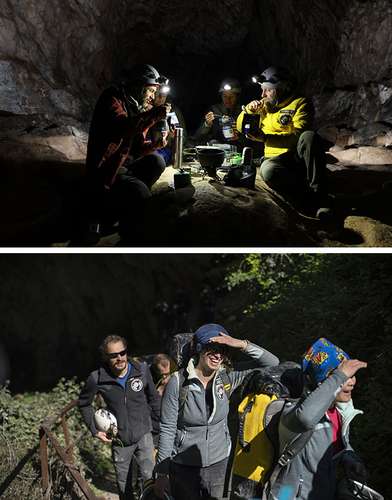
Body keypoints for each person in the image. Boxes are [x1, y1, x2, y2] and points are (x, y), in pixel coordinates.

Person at [154, 323, 280, 500]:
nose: (218, 354)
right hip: (183, 466)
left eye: (222, 349)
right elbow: (167, 428)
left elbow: (272, 362)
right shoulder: (178, 382)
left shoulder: (227, 376)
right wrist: (161, 473)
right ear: (199, 348)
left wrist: (240, 343)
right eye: (211, 348)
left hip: (219, 464)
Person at [266, 337, 367, 500]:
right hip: (285, 495)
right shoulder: (293, 411)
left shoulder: (338, 411)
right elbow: (305, 419)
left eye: (352, 375)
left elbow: (339, 445)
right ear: (323, 381)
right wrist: (339, 377)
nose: (352, 382)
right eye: (344, 377)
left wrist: (349, 458)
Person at [83, 63, 170, 240]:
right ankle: (115, 211)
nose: (152, 97)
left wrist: (155, 144)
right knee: (141, 194)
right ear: (139, 87)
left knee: (157, 160)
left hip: (124, 164)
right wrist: (155, 114)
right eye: (151, 91)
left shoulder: (135, 105)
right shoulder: (112, 99)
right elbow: (123, 128)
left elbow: (137, 147)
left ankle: (126, 203)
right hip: (107, 170)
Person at [236, 66, 332, 219]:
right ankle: (305, 193)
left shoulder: (300, 103)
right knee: (268, 171)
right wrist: (248, 111)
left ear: (282, 87)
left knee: (309, 136)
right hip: (275, 160)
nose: (263, 94)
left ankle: (320, 197)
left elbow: (298, 136)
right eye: (262, 89)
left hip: (296, 157)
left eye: (267, 90)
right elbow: (241, 128)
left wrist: (266, 138)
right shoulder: (264, 105)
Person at [78, 335, 161, 500]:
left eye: (122, 353)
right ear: (105, 357)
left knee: (151, 483)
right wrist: (95, 431)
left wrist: (160, 430)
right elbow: (84, 404)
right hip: (120, 441)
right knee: (124, 488)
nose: (119, 358)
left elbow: (154, 400)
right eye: (113, 355)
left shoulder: (142, 370)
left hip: (144, 435)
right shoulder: (97, 378)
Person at [191, 78, 243, 148]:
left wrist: (239, 138)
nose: (228, 100)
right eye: (225, 96)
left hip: (236, 147)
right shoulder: (214, 110)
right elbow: (197, 136)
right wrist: (207, 124)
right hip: (217, 148)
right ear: (221, 96)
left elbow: (250, 138)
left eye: (231, 97)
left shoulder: (242, 112)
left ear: (237, 97)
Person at [153, 88, 187, 165]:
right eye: (158, 95)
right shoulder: (146, 110)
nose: (161, 98)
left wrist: (174, 136)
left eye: (164, 96)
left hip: (165, 150)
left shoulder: (171, 113)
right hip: (149, 147)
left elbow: (182, 136)